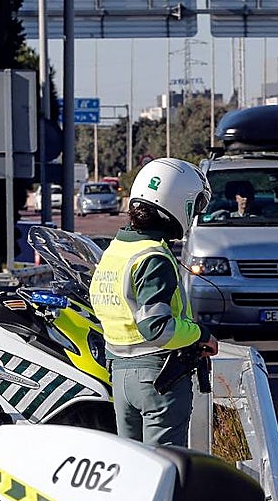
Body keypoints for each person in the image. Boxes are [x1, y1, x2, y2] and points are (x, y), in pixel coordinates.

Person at [89, 158, 218, 446]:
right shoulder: (153, 257)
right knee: (164, 469)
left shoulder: (115, 252)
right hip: (158, 377)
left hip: (120, 376)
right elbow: (156, 327)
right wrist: (200, 335)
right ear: (178, 203)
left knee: (134, 469)